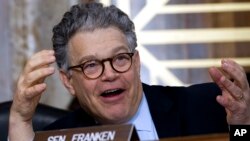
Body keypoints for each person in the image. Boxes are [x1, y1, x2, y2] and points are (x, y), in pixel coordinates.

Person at [8, 2, 250, 141]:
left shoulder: (209, 107)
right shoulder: (55, 137)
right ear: (68, 81)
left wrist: (242, 124)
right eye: (91, 65)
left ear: (136, 62)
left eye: (120, 58)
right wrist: (19, 119)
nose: (110, 74)